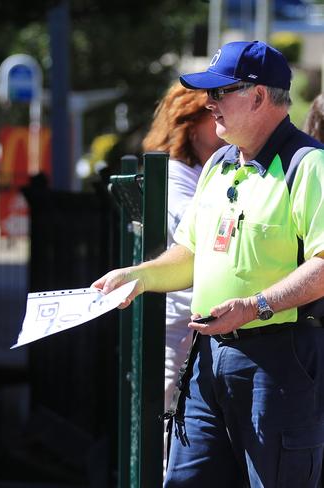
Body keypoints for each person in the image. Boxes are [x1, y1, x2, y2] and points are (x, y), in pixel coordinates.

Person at [92, 40, 324, 487]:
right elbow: (191, 254)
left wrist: (255, 305)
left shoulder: (308, 164)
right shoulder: (218, 164)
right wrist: (138, 277)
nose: (209, 103)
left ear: (258, 96)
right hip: (208, 359)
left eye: (220, 92)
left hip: (278, 362)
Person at [142, 82, 224, 414]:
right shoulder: (175, 172)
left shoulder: (224, 165)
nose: (221, 114)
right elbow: (195, 230)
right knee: (168, 411)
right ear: (188, 122)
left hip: (207, 314)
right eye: (211, 110)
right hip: (178, 316)